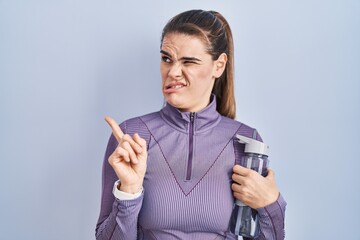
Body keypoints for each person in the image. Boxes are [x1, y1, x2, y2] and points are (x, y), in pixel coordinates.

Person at [95, 9, 286, 240]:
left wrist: (271, 205)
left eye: (189, 62)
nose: (172, 72)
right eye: (167, 59)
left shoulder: (246, 142)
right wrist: (129, 191)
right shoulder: (131, 137)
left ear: (219, 65)